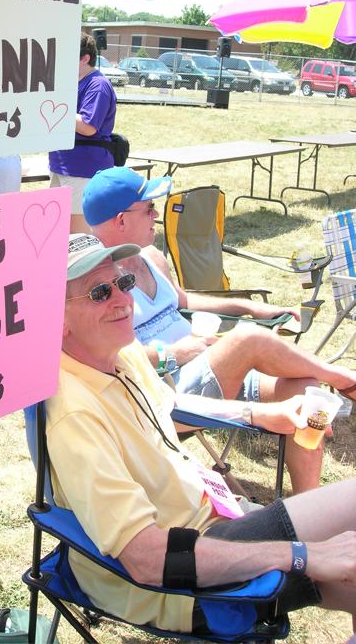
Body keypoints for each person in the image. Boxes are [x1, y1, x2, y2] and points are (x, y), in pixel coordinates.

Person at [49, 232, 356, 637]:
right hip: (173, 580)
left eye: (123, 283)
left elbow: (167, 408)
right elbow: (145, 560)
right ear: (57, 319)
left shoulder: (119, 354)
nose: (124, 300)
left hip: (210, 520)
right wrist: (301, 556)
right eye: (99, 292)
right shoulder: (73, 414)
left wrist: (263, 414)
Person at [82, 166, 356, 494]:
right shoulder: (95, 283)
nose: (157, 214)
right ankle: (343, 379)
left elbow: (184, 299)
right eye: (149, 208)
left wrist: (249, 306)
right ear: (121, 219)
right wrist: (176, 353)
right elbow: (103, 358)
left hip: (209, 367)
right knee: (246, 338)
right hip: (166, 392)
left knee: (301, 387)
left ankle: (307, 507)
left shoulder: (152, 257)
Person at [49, 32, 117, 234]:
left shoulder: (98, 85)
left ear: (85, 58)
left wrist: (54, 109)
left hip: (83, 169)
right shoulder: (75, 82)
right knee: (57, 232)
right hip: (63, 166)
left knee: (78, 238)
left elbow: (88, 126)